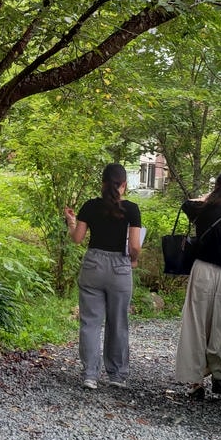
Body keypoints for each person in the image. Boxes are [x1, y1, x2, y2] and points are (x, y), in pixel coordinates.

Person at [63, 163, 142, 390]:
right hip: (119, 267)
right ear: (124, 185)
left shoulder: (90, 206)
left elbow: (77, 239)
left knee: (90, 322)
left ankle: (90, 375)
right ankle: (116, 374)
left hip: (93, 265)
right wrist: (133, 260)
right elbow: (134, 246)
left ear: (102, 184)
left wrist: (71, 221)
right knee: (118, 322)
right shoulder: (132, 209)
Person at [175, 171, 221, 400]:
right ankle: (219, 376)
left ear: (217, 188)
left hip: (203, 271)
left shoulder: (204, 211)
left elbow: (187, 204)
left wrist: (209, 197)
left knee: (197, 324)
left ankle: (196, 381)